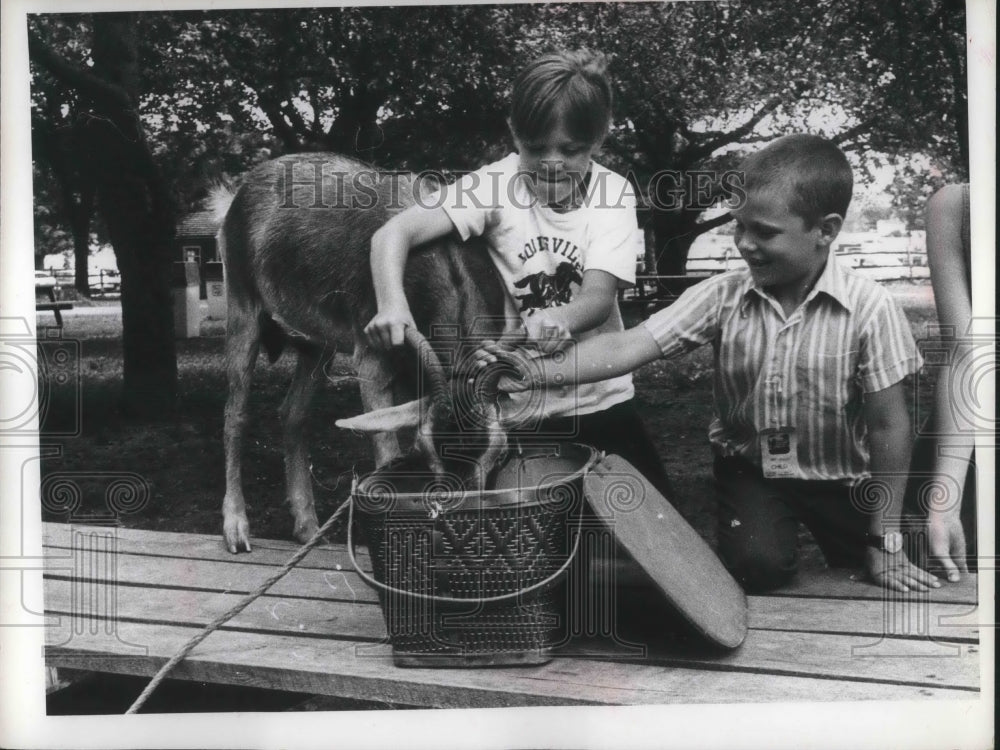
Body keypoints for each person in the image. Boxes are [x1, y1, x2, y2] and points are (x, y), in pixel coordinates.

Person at [485, 134, 941, 594]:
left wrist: (886, 537)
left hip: (845, 476)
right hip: (755, 471)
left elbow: (888, 427)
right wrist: (528, 372)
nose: (744, 244)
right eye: (738, 226)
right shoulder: (724, 294)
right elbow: (627, 347)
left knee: (905, 566)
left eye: (763, 232)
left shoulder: (871, 308)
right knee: (755, 568)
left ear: (825, 230)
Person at [365, 48, 673, 499]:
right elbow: (392, 235)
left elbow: (597, 298)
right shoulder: (495, 184)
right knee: (533, 536)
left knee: (651, 528)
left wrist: (557, 320)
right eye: (535, 149)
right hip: (521, 408)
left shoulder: (613, 194)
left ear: (599, 139)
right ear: (513, 133)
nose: (551, 163)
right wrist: (392, 303)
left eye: (570, 150)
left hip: (599, 397)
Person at [903, 184, 976, 582]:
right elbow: (967, 350)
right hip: (968, 435)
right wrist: (946, 503)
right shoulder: (956, 205)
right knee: (946, 576)